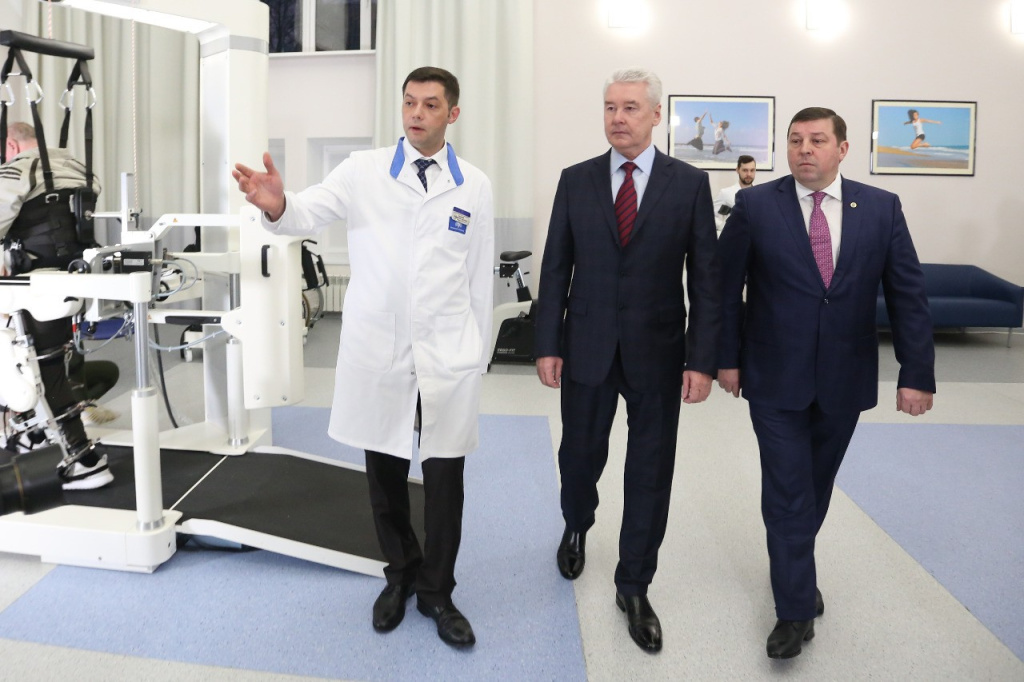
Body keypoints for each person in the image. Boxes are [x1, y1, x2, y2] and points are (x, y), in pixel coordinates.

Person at [232, 67, 493, 648]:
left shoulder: (473, 185)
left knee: (445, 476)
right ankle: (400, 574)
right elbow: (303, 212)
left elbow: (478, 275)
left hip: (448, 351)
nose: (417, 113)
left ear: (452, 114)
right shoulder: (362, 170)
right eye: (409, 102)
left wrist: (474, 358)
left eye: (430, 105)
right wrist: (276, 205)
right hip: (381, 348)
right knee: (386, 472)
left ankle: (438, 591)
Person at [716, 107, 935, 659]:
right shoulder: (755, 206)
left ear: (842, 149)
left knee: (814, 487)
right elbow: (723, 289)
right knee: (787, 490)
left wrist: (916, 373)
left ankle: (796, 570)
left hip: (845, 375)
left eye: (817, 140)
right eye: (795, 141)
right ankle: (794, 611)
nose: (804, 150)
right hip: (773, 375)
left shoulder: (881, 208)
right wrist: (725, 359)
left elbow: (908, 295)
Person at [534, 68, 720, 652]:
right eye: (611, 107)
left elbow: (706, 281)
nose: (618, 117)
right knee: (578, 457)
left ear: (657, 114)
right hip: (586, 347)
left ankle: (634, 584)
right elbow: (555, 268)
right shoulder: (577, 180)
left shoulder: (689, 184)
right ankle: (576, 524)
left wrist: (702, 360)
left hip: (659, 354)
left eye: (631, 107)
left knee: (650, 472)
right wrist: (547, 343)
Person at [0, 122, 112, 489]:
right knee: (47, 362)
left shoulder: (18, 170)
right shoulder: (79, 168)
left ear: (11, 145)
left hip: (32, 286)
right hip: (72, 280)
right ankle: (29, 431)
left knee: (44, 369)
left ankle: (84, 460)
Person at [713, 154, 756, 232]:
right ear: (737, 170)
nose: (749, 174)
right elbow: (711, 216)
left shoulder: (760, 194)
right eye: (745, 170)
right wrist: (725, 227)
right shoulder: (725, 193)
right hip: (734, 236)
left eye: (752, 170)